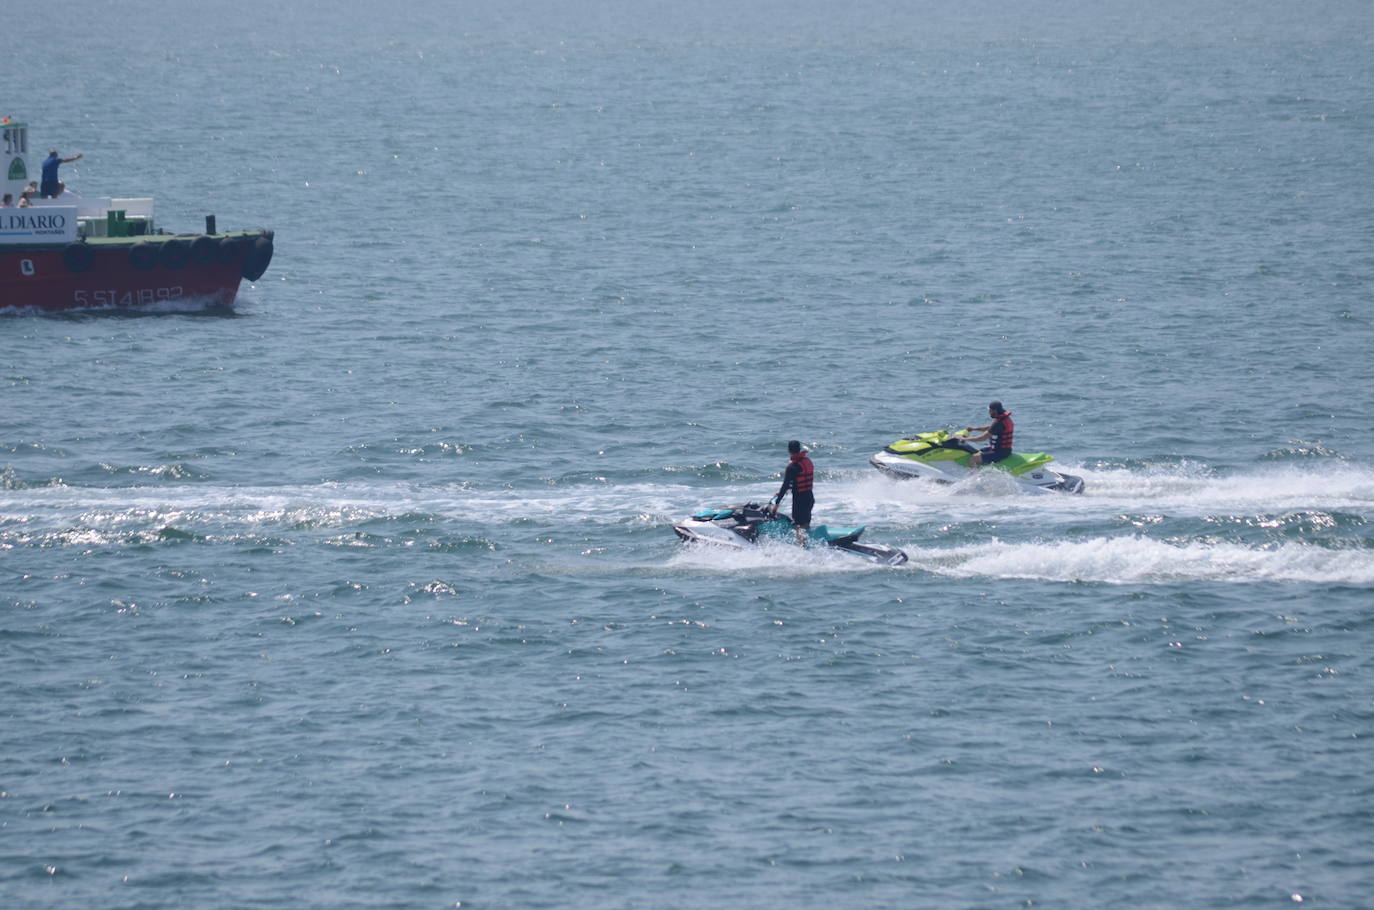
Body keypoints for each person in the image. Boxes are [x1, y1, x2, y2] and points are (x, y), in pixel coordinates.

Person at [768, 440, 815, 545]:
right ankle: (806, 544)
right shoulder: (807, 461)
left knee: (798, 525)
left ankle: (802, 549)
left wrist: (777, 503)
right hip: (809, 498)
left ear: (789, 451)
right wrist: (779, 492)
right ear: (799, 449)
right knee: (805, 524)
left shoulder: (792, 467)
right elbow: (798, 481)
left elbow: (785, 485)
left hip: (800, 501)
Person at [962, 401, 1014, 468]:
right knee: (977, 452)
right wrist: (974, 428)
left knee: (973, 459)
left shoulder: (998, 423)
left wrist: (965, 439)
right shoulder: (1004, 419)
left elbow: (983, 438)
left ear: (994, 411)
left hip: (999, 453)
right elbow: (989, 428)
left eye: (990, 410)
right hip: (1003, 450)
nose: (989, 412)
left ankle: (975, 477)